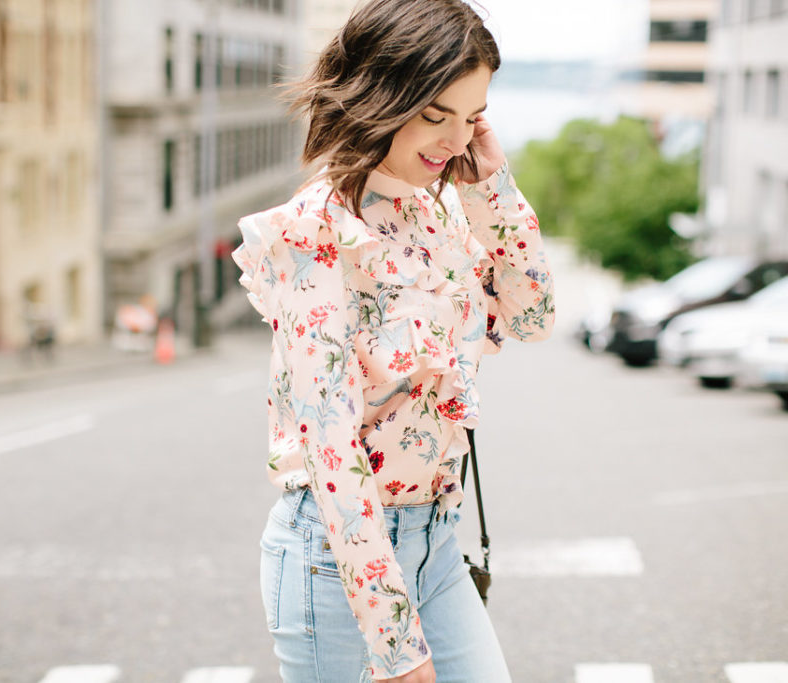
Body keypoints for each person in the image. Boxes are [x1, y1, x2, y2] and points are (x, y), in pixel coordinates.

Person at [232, 1, 554, 680]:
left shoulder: (435, 214)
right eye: (436, 115)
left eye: (472, 118)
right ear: (380, 94)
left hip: (436, 543)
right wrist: (396, 646)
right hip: (336, 559)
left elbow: (531, 316)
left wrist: (491, 188)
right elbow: (332, 444)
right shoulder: (312, 233)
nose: (454, 140)